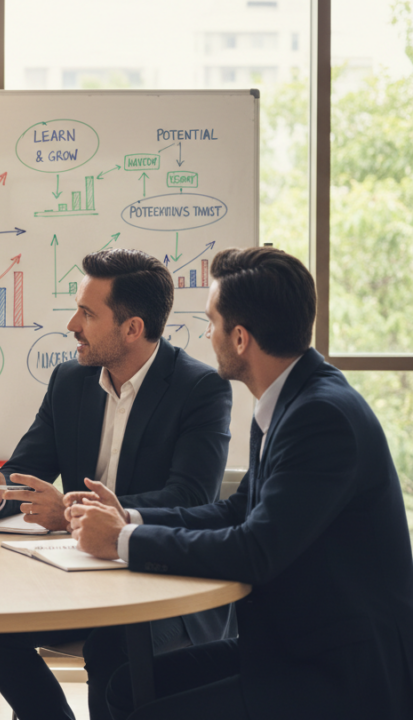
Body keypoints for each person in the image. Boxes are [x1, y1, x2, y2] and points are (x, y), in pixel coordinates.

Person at [69, 246, 413, 720]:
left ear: (239, 339)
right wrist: (129, 517)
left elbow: (255, 550)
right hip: (289, 647)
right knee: (126, 688)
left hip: (340, 671)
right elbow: (238, 510)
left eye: (211, 322)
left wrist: (123, 540)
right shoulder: (288, 400)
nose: (206, 335)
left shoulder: (320, 416)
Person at [0, 248, 234, 720]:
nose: (73, 325)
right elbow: (27, 470)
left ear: (132, 328)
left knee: (111, 647)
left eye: (87, 314)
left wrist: (72, 512)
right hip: (79, 575)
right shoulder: (70, 380)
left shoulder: (200, 388)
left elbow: (191, 498)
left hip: (162, 583)